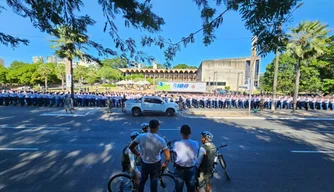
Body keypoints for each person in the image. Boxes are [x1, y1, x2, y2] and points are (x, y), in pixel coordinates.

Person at [129, 119, 170, 192]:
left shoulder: (141, 137)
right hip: (156, 165)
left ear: (149, 127)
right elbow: (168, 156)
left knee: (142, 181)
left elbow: (131, 147)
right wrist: (165, 164)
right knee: (153, 183)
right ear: (158, 127)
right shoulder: (161, 140)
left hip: (145, 164)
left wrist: (138, 154)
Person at [173, 125, 199, 192]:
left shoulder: (177, 144)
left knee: (178, 189)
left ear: (181, 133)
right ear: (190, 133)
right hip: (191, 169)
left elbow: (175, 154)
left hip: (179, 169)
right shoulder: (195, 143)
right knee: (191, 189)